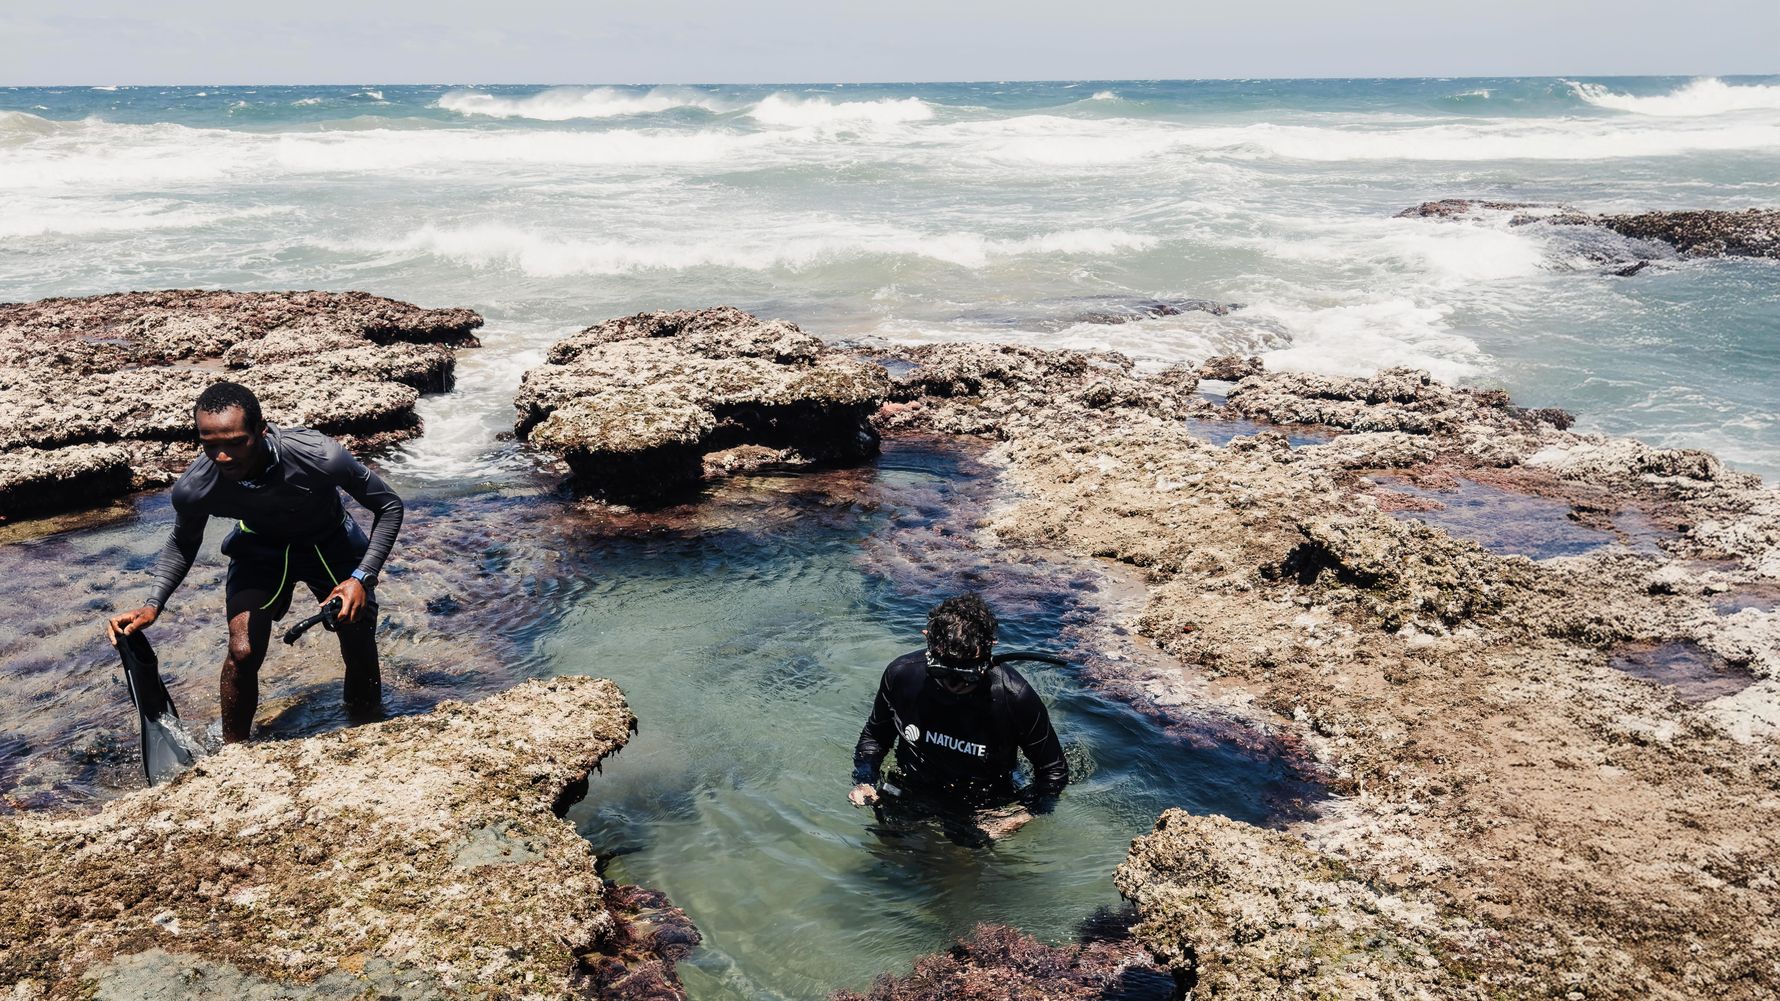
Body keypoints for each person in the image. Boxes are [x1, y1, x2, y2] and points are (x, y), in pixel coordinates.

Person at [105, 381, 403, 743]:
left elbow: (388, 506)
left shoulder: (319, 455)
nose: (223, 457)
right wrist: (154, 603)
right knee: (243, 651)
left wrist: (360, 576)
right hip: (261, 548)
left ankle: (366, 729)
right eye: (210, 445)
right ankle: (234, 754)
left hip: (330, 544)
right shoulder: (196, 487)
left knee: (356, 637)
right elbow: (184, 542)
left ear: (261, 429)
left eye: (235, 442)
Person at [849, 594, 1068, 838]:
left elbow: (1053, 772)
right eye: (943, 671)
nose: (955, 685)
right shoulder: (901, 675)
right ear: (927, 640)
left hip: (984, 800)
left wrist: (1016, 816)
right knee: (891, 849)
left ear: (990, 648)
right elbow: (875, 736)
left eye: (967, 674)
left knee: (961, 866)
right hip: (913, 783)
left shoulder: (1015, 696)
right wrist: (865, 779)